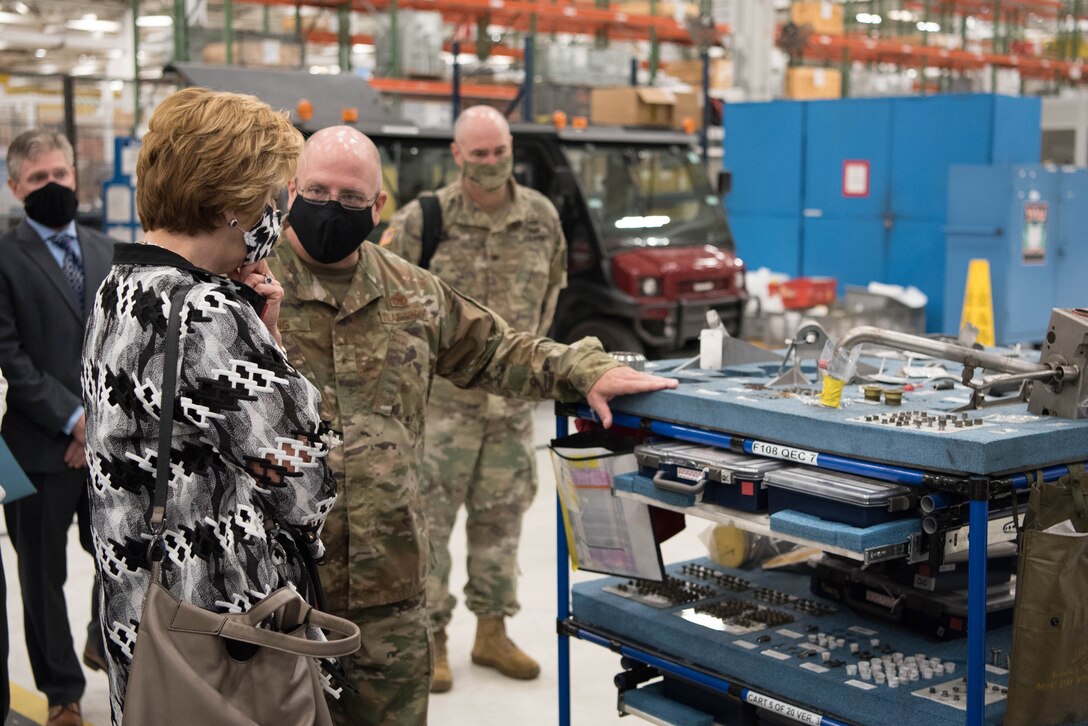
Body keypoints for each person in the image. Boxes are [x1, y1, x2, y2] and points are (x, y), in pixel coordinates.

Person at [266, 124, 676, 726]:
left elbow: (497, 349)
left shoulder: (411, 293)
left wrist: (585, 369)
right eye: (318, 190)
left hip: (391, 591)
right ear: (290, 190)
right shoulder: (245, 293)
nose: (333, 207)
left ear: (378, 208)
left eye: (352, 198)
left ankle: (489, 626)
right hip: (281, 589)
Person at [81, 87, 338, 725]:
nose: (280, 210)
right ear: (231, 204)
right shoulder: (207, 312)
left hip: (143, 619)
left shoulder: (122, 286)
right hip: (223, 632)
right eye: (275, 193)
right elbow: (306, 486)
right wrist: (272, 343)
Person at [383, 105, 564, 690]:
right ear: (457, 155)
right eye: (479, 153)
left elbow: (549, 302)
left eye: (500, 151)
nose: (491, 163)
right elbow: (389, 307)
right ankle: (433, 639)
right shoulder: (422, 220)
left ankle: (492, 632)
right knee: (429, 528)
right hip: (442, 411)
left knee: (501, 523)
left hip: (510, 414)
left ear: (512, 149)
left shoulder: (541, 218)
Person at [0, 129, 113, 726]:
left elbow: (120, 346)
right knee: (39, 579)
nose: (52, 186)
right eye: (38, 179)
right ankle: (63, 695)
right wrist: (73, 420)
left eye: (60, 175)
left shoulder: (104, 251)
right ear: (16, 187)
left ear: (76, 177)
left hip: (104, 448)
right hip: (30, 450)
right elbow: (10, 356)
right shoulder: (4, 257)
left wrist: (99, 427)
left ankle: (103, 634)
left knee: (121, 555)